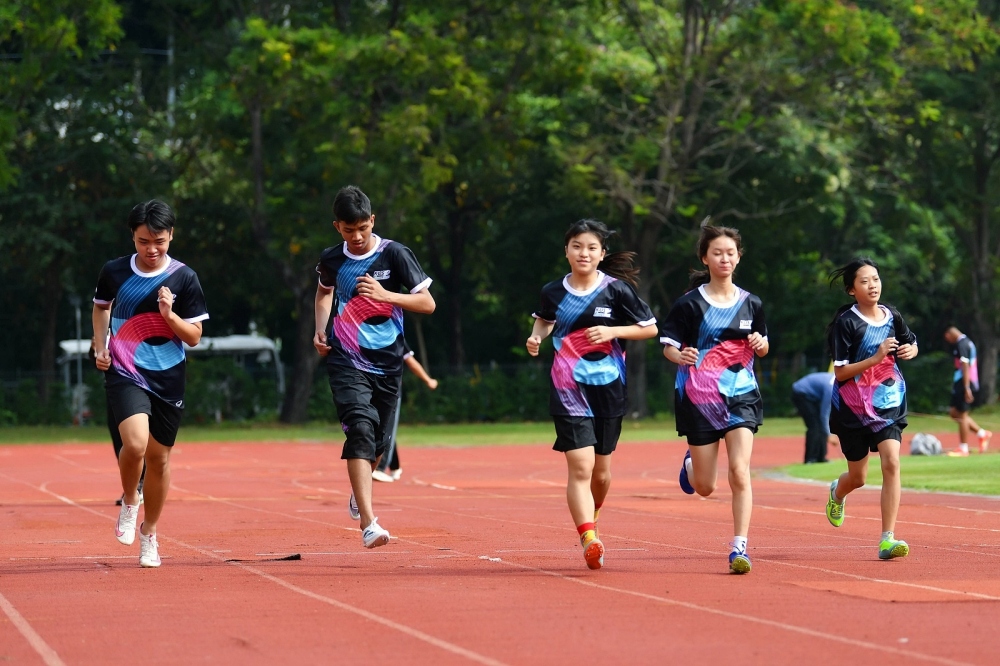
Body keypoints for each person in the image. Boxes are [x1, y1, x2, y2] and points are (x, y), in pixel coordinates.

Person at [526, 219, 657, 570]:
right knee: (580, 467)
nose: (583, 253)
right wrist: (537, 337)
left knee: (600, 474)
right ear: (566, 251)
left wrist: (613, 331)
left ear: (601, 254)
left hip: (609, 389)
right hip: (568, 387)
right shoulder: (553, 291)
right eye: (577, 246)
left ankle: (593, 514)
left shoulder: (617, 291)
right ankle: (589, 537)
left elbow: (649, 329)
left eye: (591, 248)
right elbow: (545, 320)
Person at [313, 185, 435, 549]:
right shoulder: (332, 259)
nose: (357, 236)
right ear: (337, 227)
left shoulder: (394, 254)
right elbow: (324, 292)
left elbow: (427, 303)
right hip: (346, 358)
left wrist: (386, 295)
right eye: (349, 230)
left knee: (379, 443)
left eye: (363, 228)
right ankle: (368, 523)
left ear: (372, 220)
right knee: (360, 429)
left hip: (388, 363)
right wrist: (320, 328)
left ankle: (359, 486)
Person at [93, 200, 209, 568]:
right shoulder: (114, 271)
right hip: (125, 369)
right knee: (135, 443)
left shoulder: (184, 278)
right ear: (133, 236)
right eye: (144, 241)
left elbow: (194, 337)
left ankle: (150, 533)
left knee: (159, 459)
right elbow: (101, 306)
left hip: (168, 377)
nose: (152, 249)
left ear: (171, 235)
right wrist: (100, 345)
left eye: (159, 241)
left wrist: (169, 315)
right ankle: (131, 499)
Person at [660, 225, 768, 574]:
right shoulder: (689, 304)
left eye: (730, 253)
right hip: (699, 396)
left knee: (739, 470)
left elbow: (763, 344)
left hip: (741, 394)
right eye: (717, 253)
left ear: (738, 257)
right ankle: (691, 466)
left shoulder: (752, 303)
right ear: (704, 258)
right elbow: (668, 346)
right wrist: (679, 355)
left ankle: (739, 547)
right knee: (706, 487)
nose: (724, 258)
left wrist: (761, 345)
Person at [823, 258, 917, 561]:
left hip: (888, 403)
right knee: (858, 477)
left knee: (892, 462)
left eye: (875, 279)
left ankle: (887, 538)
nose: (872, 285)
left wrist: (910, 350)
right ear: (852, 290)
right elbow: (840, 373)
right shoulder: (846, 323)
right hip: (852, 408)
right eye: (864, 281)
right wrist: (875, 358)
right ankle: (838, 492)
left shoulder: (892, 316)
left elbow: (911, 343)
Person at [372, 342, 439, 483]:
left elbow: (410, 361)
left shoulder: (394, 336)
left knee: (386, 427)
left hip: (390, 389)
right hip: (372, 387)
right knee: (382, 426)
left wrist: (428, 380)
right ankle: (395, 466)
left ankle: (380, 467)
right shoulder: (367, 335)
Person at [91, 337, 146, 506]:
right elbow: (96, 359)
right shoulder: (105, 330)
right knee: (119, 440)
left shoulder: (133, 330)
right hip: (115, 390)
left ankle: (141, 484)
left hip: (140, 386)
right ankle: (132, 487)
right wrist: (95, 349)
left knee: (139, 441)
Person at [943, 326, 991, 456]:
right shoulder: (968, 342)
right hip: (962, 382)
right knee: (954, 413)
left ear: (949, 335)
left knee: (962, 415)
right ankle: (982, 434)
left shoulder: (962, 344)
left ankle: (963, 448)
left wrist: (966, 387)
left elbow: (965, 365)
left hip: (964, 382)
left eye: (947, 338)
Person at [791, 372, 838, 463]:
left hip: (813, 396)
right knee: (814, 426)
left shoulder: (837, 384)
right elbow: (824, 414)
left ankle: (821, 457)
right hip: (801, 393)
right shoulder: (831, 389)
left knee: (820, 425)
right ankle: (810, 458)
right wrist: (829, 435)